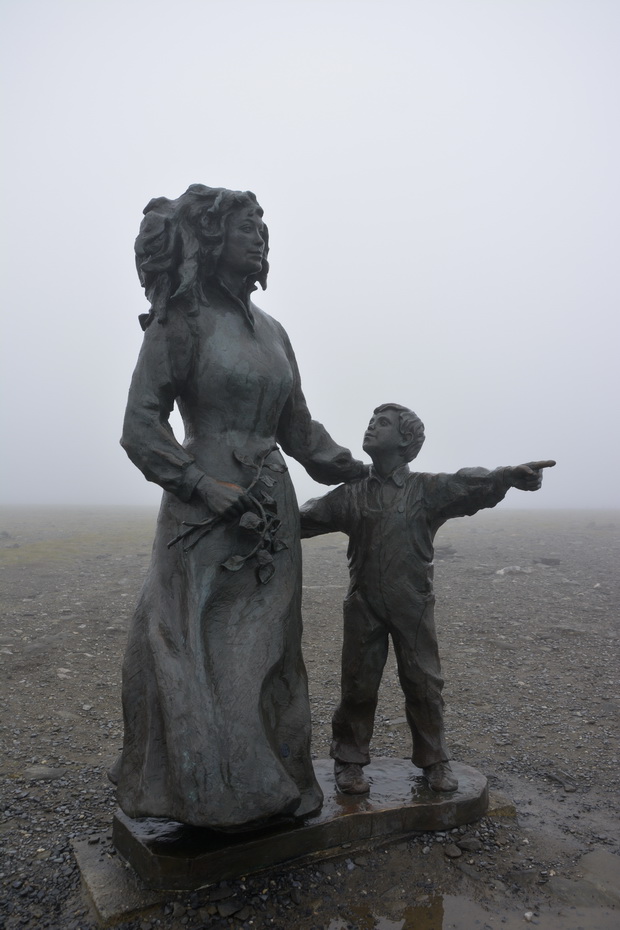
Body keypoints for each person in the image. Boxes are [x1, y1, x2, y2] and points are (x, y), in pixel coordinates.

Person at [110, 185, 365, 831]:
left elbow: (299, 429)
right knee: (195, 644)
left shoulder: (274, 333)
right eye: (247, 227)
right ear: (213, 238)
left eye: (264, 227)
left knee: (270, 645)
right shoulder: (181, 322)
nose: (260, 238)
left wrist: (349, 464)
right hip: (203, 512)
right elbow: (141, 427)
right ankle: (203, 793)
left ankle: (275, 785)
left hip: (269, 508)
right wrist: (198, 483)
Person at [300, 404, 555, 794]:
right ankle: (349, 760)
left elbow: (466, 484)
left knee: (423, 684)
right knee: (358, 684)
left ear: (406, 440)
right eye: (371, 421)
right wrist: (252, 513)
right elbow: (302, 517)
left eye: (382, 423)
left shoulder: (426, 489)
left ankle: (434, 759)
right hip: (363, 604)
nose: (371, 427)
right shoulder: (349, 495)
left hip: (413, 605)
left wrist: (506, 476)